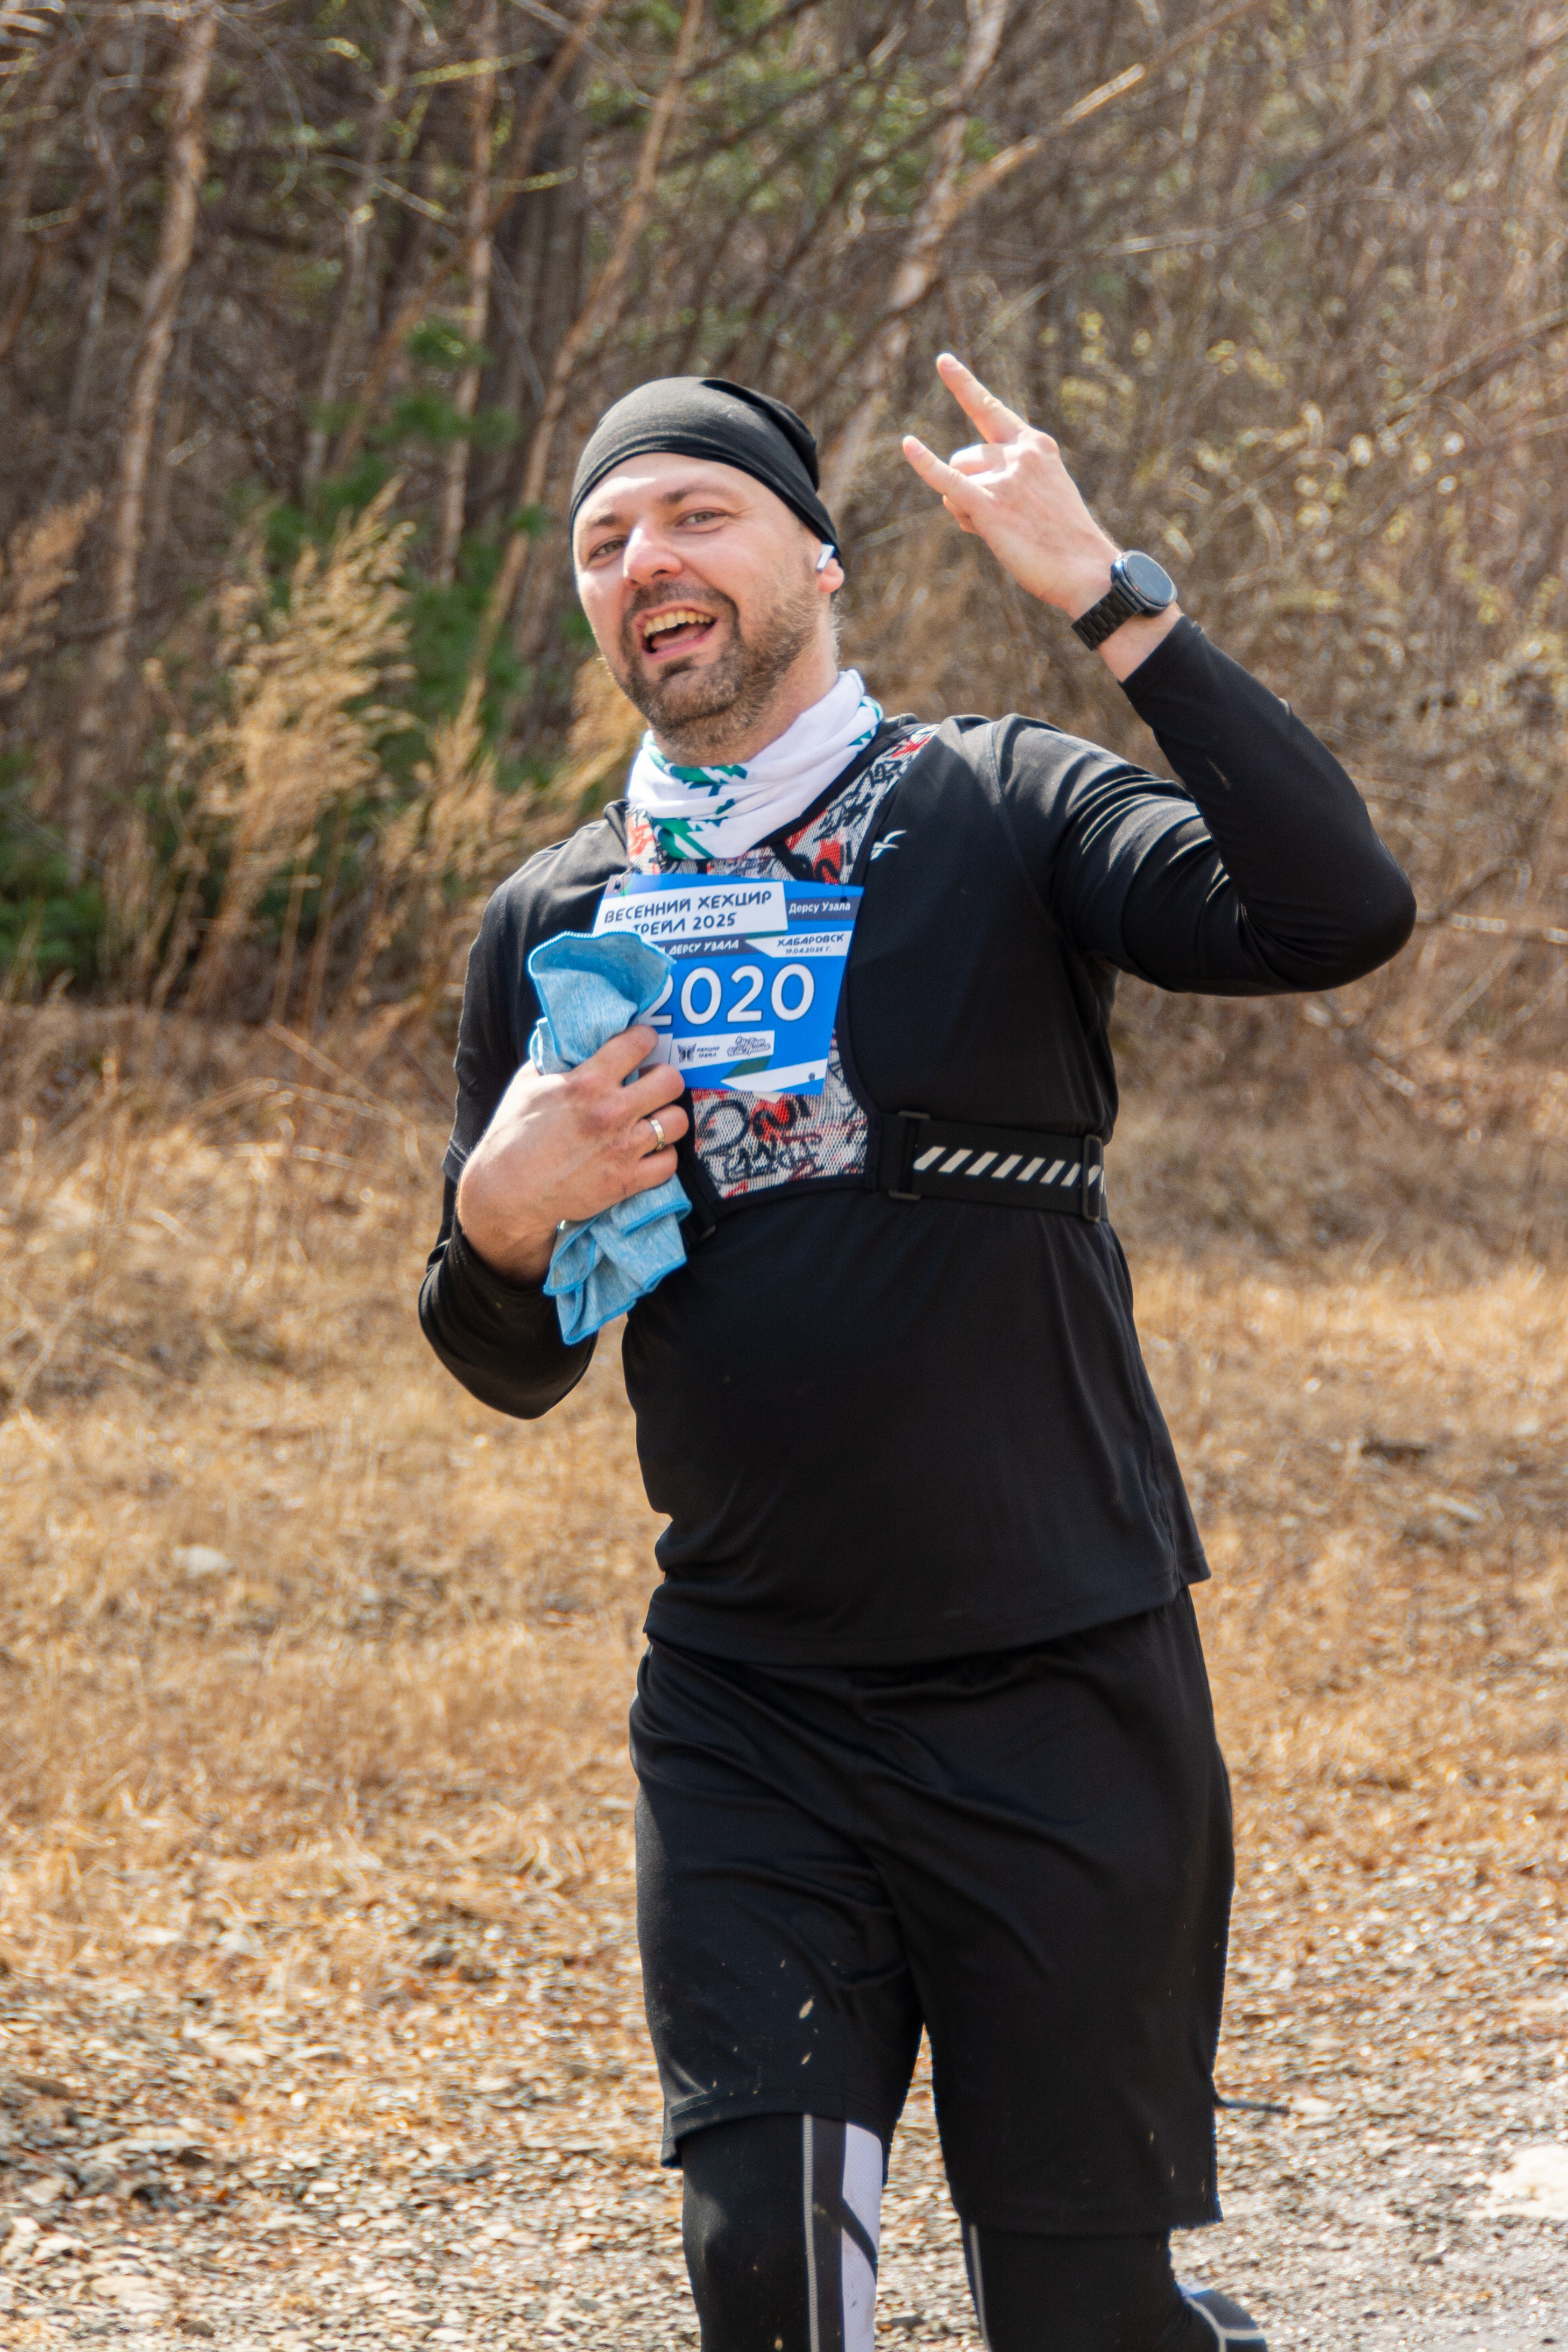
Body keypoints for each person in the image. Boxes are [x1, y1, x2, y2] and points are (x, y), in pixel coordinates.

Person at [420, 357, 1416, 2352]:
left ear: (822, 556)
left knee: (1084, 2321)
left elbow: (1333, 911)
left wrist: (1110, 596)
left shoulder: (998, 802)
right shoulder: (560, 917)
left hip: (1061, 1680)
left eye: (696, 513)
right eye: (604, 541)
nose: (646, 562)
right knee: (771, 2296)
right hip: (748, 1705)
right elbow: (506, 1359)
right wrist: (498, 1217)